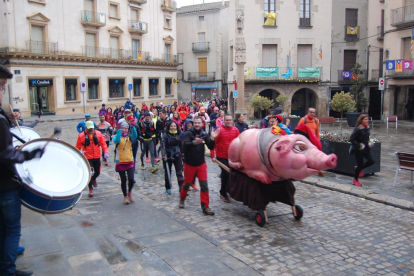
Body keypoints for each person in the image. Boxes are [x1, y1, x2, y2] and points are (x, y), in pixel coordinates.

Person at [0, 65, 36, 276]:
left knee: (3, 229)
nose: (3, 90)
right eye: (2, 85)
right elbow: (5, 156)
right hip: (5, 184)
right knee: (13, 229)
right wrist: (29, 154)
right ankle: (8, 271)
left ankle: (5, 266)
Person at [180, 117, 216, 215]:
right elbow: (184, 146)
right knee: (187, 184)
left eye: (198, 123)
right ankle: (182, 198)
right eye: (195, 123)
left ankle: (205, 206)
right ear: (193, 124)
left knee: (204, 185)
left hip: (201, 164)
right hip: (189, 163)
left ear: (202, 124)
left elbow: (211, 146)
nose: (197, 124)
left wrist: (212, 138)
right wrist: (193, 143)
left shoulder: (204, 134)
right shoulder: (188, 133)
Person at [76, 121, 109, 197]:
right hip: (87, 157)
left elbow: (103, 144)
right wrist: (77, 157)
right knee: (89, 173)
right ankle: (90, 188)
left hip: (97, 156)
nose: (91, 130)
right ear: (86, 127)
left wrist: (106, 152)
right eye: (89, 128)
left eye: (92, 128)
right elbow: (77, 147)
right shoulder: (81, 136)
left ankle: (94, 178)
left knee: (97, 172)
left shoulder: (98, 134)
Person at [211, 114, 239, 203]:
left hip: (231, 157)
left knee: (232, 174)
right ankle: (223, 192)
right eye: (226, 120)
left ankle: (229, 190)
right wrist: (212, 155)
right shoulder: (219, 130)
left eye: (230, 120)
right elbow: (213, 143)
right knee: (226, 173)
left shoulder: (236, 130)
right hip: (221, 156)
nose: (228, 121)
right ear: (224, 121)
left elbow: (238, 142)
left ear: (232, 121)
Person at [113, 121, 137, 205]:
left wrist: (133, 126)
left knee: (131, 179)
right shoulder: (116, 136)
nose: (124, 129)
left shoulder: (129, 137)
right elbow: (117, 140)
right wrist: (119, 131)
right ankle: (125, 196)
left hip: (130, 160)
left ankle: (129, 192)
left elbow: (135, 136)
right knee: (123, 180)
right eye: (122, 128)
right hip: (120, 161)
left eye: (126, 128)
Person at [349, 114, 375, 187]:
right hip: (359, 149)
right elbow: (351, 139)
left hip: (366, 148)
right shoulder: (358, 129)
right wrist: (358, 145)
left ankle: (358, 168)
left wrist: (370, 141)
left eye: (367, 119)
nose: (367, 120)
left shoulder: (367, 128)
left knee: (371, 161)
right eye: (365, 119)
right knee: (360, 164)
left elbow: (367, 137)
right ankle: (355, 179)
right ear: (361, 120)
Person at [161, 121, 184, 194]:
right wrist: (163, 155)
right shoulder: (165, 135)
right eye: (171, 126)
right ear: (169, 127)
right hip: (168, 155)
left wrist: (182, 153)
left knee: (179, 172)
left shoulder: (179, 134)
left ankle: (181, 187)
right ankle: (168, 187)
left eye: (174, 126)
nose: (173, 127)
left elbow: (181, 145)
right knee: (168, 172)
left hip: (177, 154)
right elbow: (162, 146)